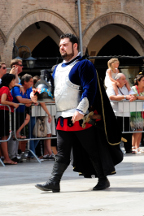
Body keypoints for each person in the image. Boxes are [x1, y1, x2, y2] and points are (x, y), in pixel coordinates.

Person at [34, 33, 122, 193]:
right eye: (60, 45)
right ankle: (54, 181)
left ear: (75, 46)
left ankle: (103, 179)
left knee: (92, 150)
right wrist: (38, 96)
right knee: (62, 152)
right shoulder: (57, 68)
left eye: (65, 45)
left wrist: (81, 110)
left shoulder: (84, 65)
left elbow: (90, 89)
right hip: (63, 117)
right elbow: (56, 92)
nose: (62, 48)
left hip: (82, 118)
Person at [106, 73, 136, 153]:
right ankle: (115, 150)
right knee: (116, 132)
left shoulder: (126, 87)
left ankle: (128, 149)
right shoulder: (111, 87)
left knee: (128, 132)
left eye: (125, 79)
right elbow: (111, 97)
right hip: (116, 113)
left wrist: (132, 97)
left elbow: (133, 95)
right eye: (123, 79)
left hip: (126, 113)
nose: (125, 81)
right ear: (118, 80)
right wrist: (125, 97)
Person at [9, 74, 33, 162]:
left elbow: (28, 102)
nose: (32, 83)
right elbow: (21, 100)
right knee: (12, 134)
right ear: (25, 82)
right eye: (30, 81)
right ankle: (11, 155)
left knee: (16, 135)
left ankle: (14, 155)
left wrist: (30, 101)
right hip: (13, 112)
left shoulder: (29, 89)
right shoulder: (16, 88)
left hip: (21, 113)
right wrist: (31, 101)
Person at [0, 74, 19, 165]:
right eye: (13, 80)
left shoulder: (6, 89)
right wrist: (13, 104)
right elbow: (2, 101)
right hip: (3, 113)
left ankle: (6, 157)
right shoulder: (5, 88)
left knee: (5, 136)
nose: (14, 82)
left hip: (5, 113)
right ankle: (7, 158)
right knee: (4, 136)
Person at [130, 72, 144, 153]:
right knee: (137, 129)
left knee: (140, 129)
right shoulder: (133, 88)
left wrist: (138, 97)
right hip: (135, 111)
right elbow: (132, 97)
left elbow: (136, 97)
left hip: (142, 111)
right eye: (143, 80)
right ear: (138, 81)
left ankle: (137, 147)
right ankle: (133, 147)